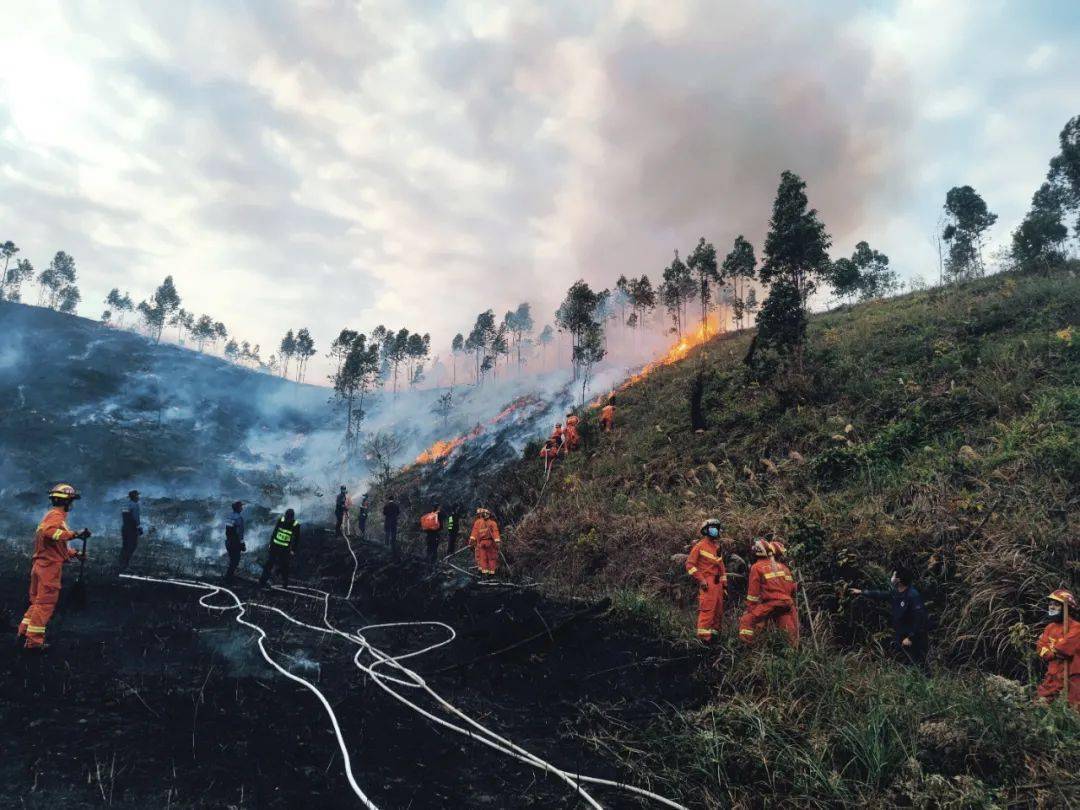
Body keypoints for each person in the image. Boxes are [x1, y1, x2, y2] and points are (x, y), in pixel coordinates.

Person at [18, 484, 91, 652]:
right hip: (48, 569)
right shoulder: (56, 518)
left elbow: (54, 546)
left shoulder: (52, 516)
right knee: (45, 605)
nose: (72, 505)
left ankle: (23, 632)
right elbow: (49, 533)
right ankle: (34, 643)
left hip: (41, 565)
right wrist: (75, 534)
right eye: (71, 501)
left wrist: (74, 553)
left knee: (36, 603)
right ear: (65, 502)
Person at [850, 566, 930, 672]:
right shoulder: (896, 593)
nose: (891, 578)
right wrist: (861, 592)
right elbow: (881, 594)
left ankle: (929, 684)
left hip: (914, 637)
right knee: (906, 666)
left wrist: (911, 637)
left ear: (899, 579)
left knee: (920, 665)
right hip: (902, 634)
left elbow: (920, 619)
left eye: (894, 575)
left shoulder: (912, 595)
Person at [737, 540, 799, 646]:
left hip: (772, 604)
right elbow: (791, 589)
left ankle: (746, 645)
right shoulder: (783, 567)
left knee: (747, 620)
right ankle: (792, 652)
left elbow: (753, 595)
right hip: (787, 604)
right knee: (790, 630)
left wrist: (751, 610)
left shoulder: (756, 567)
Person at [1034, 589, 1079, 706]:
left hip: (1072, 675)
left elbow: (1064, 648)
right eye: (1050, 604)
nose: (1052, 607)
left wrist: (1053, 650)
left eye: (1056, 604)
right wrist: (1051, 653)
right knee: (1040, 703)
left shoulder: (1076, 627)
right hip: (1053, 673)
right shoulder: (1050, 627)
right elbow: (1040, 647)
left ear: (1066, 608)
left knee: (1073, 708)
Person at [686, 518, 727, 643]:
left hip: (718, 585)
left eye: (717, 528)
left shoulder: (717, 547)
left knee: (718, 612)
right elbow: (689, 565)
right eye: (713, 527)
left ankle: (714, 639)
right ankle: (703, 641)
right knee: (707, 611)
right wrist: (701, 580)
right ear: (705, 530)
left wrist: (724, 586)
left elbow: (721, 568)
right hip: (708, 583)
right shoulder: (699, 546)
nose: (716, 530)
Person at [259, 508, 301, 589]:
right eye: (286, 517)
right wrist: (270, 544)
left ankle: (284, 584)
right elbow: (274, 532)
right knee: (269, 564)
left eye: (288, 518)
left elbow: (297, 539)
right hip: (275, 547)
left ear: (292, 517)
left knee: (285, 566)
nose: (286, 519)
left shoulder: (296, 525)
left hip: (285, 549)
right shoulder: (281, 520)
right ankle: (262, 582)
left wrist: (293, 550)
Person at [469, 507, 501, 577]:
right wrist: (497, 542)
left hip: (480, 543)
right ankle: (491, 574)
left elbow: (474, 533)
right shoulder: (492, 523)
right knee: (491, 558)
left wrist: (471, 542)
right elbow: (496, 533)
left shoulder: (478, 522)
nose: (479, 515)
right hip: (489, 543)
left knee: (482, 558)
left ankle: (483, 573)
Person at [118, 489, 143, 571]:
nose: (139, 497)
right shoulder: (135, 505)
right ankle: (125, 565)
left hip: (125, 528)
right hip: (132, 529)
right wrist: (139, 528)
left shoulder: (126, 505)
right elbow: (136, 518)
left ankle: (120, 564)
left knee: (125, 546)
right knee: (132, 546)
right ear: (135, 497)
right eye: (137, 495)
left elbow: (124, 516)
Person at [224, 501, 246, 583]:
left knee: (232, 559)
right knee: (236, 560)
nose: (242, 508)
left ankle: (229, 576)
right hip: (235, 542)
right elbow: (240, 533)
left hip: (228, 541)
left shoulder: (229, 517)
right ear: (238, 508)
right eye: (241, 507)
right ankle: (228, 577)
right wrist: (242, 544)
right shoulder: (239, 518)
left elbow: (228, 530)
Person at [420, 505, 443, 571]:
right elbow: (441, 527)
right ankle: (433, 566)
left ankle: (427, 565)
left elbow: (424, 527)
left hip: (428, 536)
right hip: (435, 535)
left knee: (429, 549)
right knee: (434, 550)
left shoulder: (428, 516)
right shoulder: (437, 516)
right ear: (437, 509)